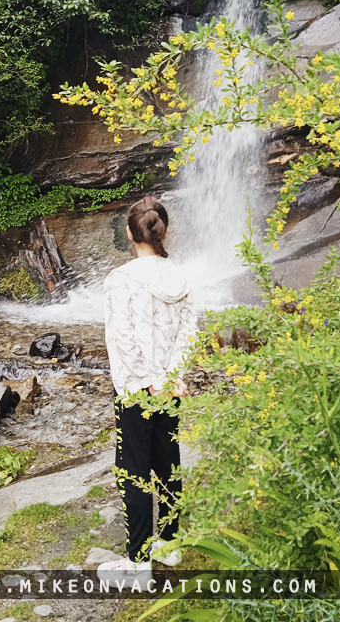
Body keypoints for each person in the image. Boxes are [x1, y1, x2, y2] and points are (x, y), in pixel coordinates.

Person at [97, 195, 197, 587]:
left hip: (137, 390)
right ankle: (171, 544)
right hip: (168, 388)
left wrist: (150, 378)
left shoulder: (120, 280)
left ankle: (138, 564)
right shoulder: (182, 276)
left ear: (129, 234)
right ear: (163, 231)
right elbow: (188, 333)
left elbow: (122, 340)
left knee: (134, 472)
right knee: (168, 464)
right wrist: (171, 377)